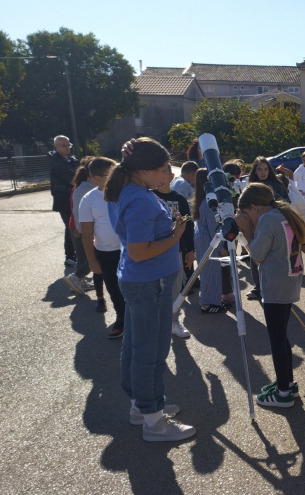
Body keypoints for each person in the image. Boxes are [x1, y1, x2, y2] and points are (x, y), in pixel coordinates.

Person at [105, 137, 194, 442]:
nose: (167, 175)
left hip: (140, 279)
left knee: (136, 345)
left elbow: (136, 245)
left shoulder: (129, 190)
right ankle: (153, 420)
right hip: (149, 281)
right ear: (145, 170)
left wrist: (168, 231)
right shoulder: (141, 198)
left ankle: (141, 406)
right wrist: (176, 235)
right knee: (151, 350)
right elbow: (141, 250)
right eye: (163, 169)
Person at [235, 183, 305, 408]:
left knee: (276, 339)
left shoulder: (266, 220)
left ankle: (283, 393)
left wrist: (245, 230)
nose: (246, 217)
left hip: (276, 285)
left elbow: (256, 255)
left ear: (254, 208)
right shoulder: (280, 214)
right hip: (289, 280)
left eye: (246, 213)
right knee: (281, 336)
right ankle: (287, 383)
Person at [78, 157, 125, 338]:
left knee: (134, 287)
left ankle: (136, 320)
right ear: (95, 177)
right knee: (113, 288)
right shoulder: (88, 200)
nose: (116, 176)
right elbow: (87, 233)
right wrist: (92, 261)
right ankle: (121, 319)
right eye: (109, 174)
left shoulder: (126, 192)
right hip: (105, 253)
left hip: (129, 250)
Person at [154, 172, 195, 338]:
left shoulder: (179, 199)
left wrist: (190, 251)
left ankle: (173, 321)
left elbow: (188, 225)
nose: (159, 177)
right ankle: (156, 321)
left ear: (171, 176)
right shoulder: (149, 197)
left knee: (176, 286)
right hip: (154, 251)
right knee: (155, 288)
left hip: (176, 250)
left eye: (163, 173)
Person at [193, 169, 230, 314]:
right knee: (211, 272)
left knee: (208, 271)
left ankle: (211, 300)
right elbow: (214, 228)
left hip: (202, 237)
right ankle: (209, 303)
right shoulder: (210, 204)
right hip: (209, 240)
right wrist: (221, 248)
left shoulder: (201, 200)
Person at [62, 159, 97, 296]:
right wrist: (78, 228)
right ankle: (76, 277)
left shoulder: (80, 186)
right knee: (92, 257)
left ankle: (76, 283)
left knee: (83, 258)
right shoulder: (83, 189)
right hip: (79, 227)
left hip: (77, 226)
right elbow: (76, 209)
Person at [49, 135, 80, 266]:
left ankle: (76, 253)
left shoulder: (72, 159)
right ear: (56, 146)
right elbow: (58, 184)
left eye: (68, 145)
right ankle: (69, 256)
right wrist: (73, 189)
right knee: (70, 227)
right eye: (64, 145)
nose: (67, 148)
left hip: (75, 198)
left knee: (75, 226)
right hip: (64, 200)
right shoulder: (54, 162)